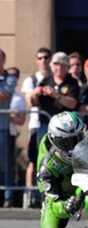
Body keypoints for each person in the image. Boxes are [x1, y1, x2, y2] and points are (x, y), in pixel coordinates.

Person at [21, 47, 52, 208]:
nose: (43, 61)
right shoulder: (31, 80)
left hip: (52, 125)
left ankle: (46, 195)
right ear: (36, 60)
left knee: (50, 161)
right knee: (34, 161)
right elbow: (29, 103)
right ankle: (30, 194)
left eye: (46, 57)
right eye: (40, 58)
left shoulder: (55, 78)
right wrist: (36, 93)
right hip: (36, 124)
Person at [0, 50, 18, 208]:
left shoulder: (10, 78)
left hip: (3, 127)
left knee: (5, 164)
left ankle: (8, 196)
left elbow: (3, 96)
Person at [6, 67, 26, 207]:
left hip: (9, 133)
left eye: (14, 76)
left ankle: (8, 196)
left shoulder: (18, 97)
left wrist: (9, 116)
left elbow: (22, 120)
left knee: (8, 165)